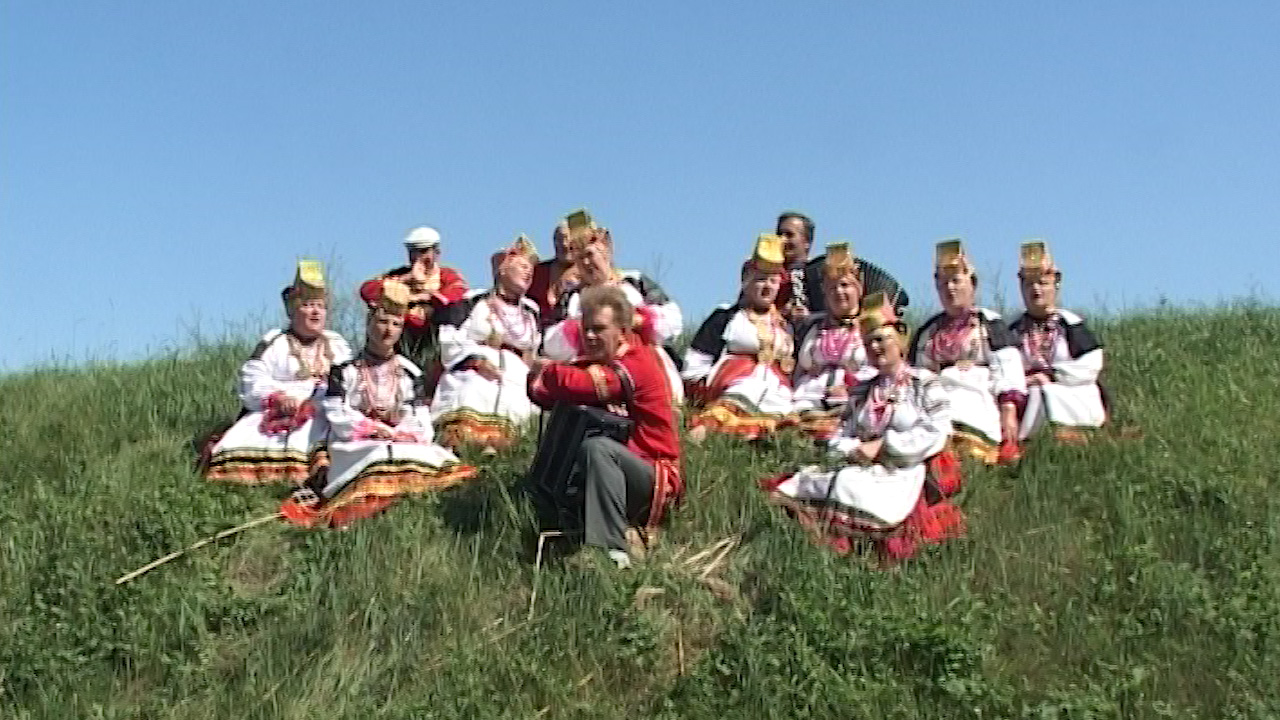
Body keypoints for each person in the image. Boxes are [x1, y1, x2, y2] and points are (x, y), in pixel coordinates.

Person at [762, 294, 964, 564]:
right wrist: (852, 448)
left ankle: (848, 548)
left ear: (900, 341)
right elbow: (843, 431)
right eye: (869, 343)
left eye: (882, 339)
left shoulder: (924, 383)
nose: (876, 347)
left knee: (848, 486)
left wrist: (884, 446)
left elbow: (938, 430)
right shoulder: (862, 390)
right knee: (807, 482)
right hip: (862, 463)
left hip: (903, 467)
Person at [281, 279, 477, 529]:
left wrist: (401, 433)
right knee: (376, 456)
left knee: (424, 455)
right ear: (369, 323)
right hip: (357, 443)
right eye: (382, 322)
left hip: (399, 439)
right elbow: (337, 413)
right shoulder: (345, 371)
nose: (388, 330)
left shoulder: (409, 373)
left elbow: (418, 416)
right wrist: (373, 429)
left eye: (396, 324)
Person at [528, 285, 684, 569]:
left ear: (622, 331)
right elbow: (545, 394)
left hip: (655, 474)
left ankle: (611, 552)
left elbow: (585, 384)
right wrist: (543, 379)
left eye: (598, 329)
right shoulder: (601, 361)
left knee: (598, 449)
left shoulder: (639, 360)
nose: (589, 336)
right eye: (585, 329)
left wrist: (547, 370)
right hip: (620, 474)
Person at [205, 261, 353, 485]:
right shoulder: (275, 341)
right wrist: (279, 398)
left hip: (325, 410)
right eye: (308, 305)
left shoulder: (337, 344)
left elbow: (351, 380)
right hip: (282, 411)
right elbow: (253, 378)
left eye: (321, 306)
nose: (315, 312)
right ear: (293, 310)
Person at [908, 240, 1027, 465]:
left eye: (956, 281)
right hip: (937, 400)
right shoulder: (928, 331)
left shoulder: (988, 323)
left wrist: (1008, 410)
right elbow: (915, 374)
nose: (950, 289)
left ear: (972, 284)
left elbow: (1007, 366)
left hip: (977, 396)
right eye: (943, 284)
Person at [431, 235, 543, 452]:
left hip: (516, 376)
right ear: (502, 269)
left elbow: (535, 351)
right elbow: (449, 340)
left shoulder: (531, 312)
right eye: (522, 266)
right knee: (474, 389)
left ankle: (503, 453)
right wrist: (476, 360)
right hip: (475, 370)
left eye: (531, 269)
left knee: (519, 402)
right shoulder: (474, 301)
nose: (528, 272)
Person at [682, 234, 796, 443]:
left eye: (773, 280)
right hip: (733, 384)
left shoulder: (785, 324)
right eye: (761, 279)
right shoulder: (727, 316)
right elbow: (697, 361)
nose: (767, 287)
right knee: (741, 396)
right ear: (747, 280)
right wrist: (701, 387)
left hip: (776, 390)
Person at [1007, 241, 1107, 444]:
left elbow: (1091, 364)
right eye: (1029, 284)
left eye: (1042, 283)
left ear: (1055, 283)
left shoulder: (1070, 325)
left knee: (1048, 393)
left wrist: (1051, 376)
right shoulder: (1014, 331)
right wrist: (1026, 381)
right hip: (1026, 393)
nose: (1036, 290)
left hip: (1069, 391)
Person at [791, 242, 875, 441]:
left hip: (851, 401)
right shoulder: (811, 327)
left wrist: (850, 386)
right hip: (807, 399)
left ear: (859, 288)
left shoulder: (870, 326)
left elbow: (881, 370)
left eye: (845, 285)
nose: (839, 292)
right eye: (832, 287)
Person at [358, 226, 469, 368]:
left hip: (436, 350)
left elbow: (456, 295)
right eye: (413, 252)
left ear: (437, 253)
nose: (418, 258)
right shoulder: (397, 275)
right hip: (400, 347)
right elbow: (368, 290)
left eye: (423, 251)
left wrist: (425, 296)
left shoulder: (447, 276)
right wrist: (407, 279)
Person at [773, 211, 910, 323]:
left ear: (807, 241)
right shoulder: (764, 274)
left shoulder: (821, 269)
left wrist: (810, 317)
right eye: (779, 234)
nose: (782, 239)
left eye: (789, 235)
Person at [527, 221, 580, 326]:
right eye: (559, 239)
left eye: (569, 239)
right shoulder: (537, 272)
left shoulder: (588, 276)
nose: (564, 244)